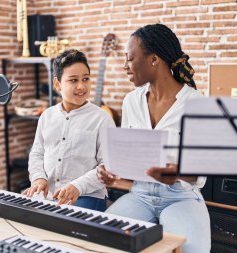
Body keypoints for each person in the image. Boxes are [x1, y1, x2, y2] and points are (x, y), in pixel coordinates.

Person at [97, 24, 211, 252]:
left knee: (193, 250)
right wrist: (110, 171)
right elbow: (129, 156)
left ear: (154, 59)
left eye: (129, 58)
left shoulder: (196, 103)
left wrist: (175, 172)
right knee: (97, 239)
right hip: (139, 194)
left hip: (180, 197)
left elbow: (200, 171)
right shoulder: (131, 101)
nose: (124, 66)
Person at [23, 49, 115, 212]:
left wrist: (77, 186)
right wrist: (38, 178)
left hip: (87, 196)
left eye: (85, 79)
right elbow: (37, 153)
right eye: (73, 80)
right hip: (48, 194)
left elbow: (108, 165)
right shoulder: (47, 116)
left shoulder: (102, 118)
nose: (81, 86)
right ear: (57, 84)